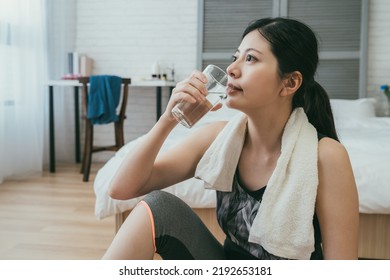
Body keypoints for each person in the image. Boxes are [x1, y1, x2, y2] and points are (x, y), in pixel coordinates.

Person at [102, 17, 359, 260]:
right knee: (157, 206)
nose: (231, 69)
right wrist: (168, 119)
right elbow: (122, 189)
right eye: (235, 57)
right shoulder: (219, 138)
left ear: (290, 82)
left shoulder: (325, 155)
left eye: (250, 59)